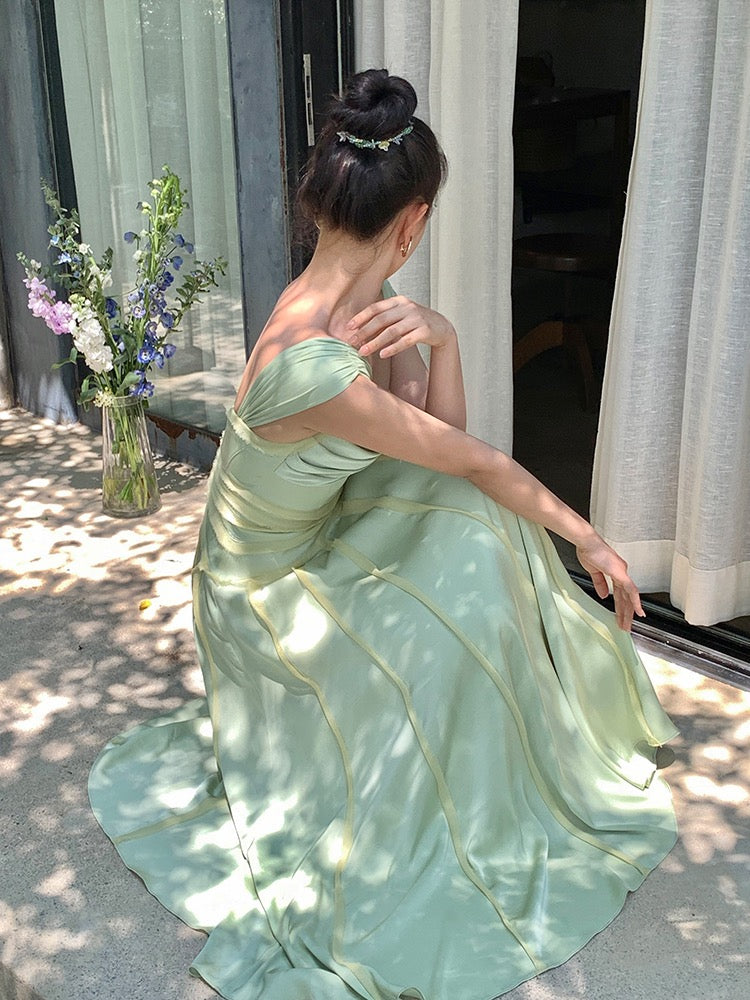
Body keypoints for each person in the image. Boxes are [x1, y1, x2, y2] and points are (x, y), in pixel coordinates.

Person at [89, 70, 677, 1000]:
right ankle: (470, 782)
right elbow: (471, 458)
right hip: (259, 598)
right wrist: (589, 541)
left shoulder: (350, 296)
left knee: (477, 525)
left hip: (315, 534)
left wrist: (441, 339)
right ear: (414, 220)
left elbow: (437, 437)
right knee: (479, 538)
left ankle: (501, 752)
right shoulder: (313, 363)